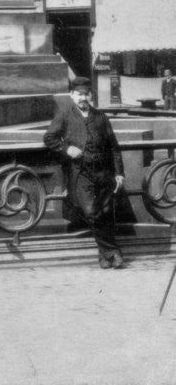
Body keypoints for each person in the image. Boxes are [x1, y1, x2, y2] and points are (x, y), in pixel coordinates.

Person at [44, 76, 126, 268]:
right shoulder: (65, 115)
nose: (83, 98)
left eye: (86, 94)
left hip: (104, 173)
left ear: (91, 95)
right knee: (91, 211)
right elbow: (49, 138)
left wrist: (119, 173)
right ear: (72, 95)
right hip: (81, 173)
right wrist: (66, 149)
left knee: (105, 212)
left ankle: (105, 256)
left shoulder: (101, 117)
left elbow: (114, 147)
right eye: (79, 94)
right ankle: (113, 251)